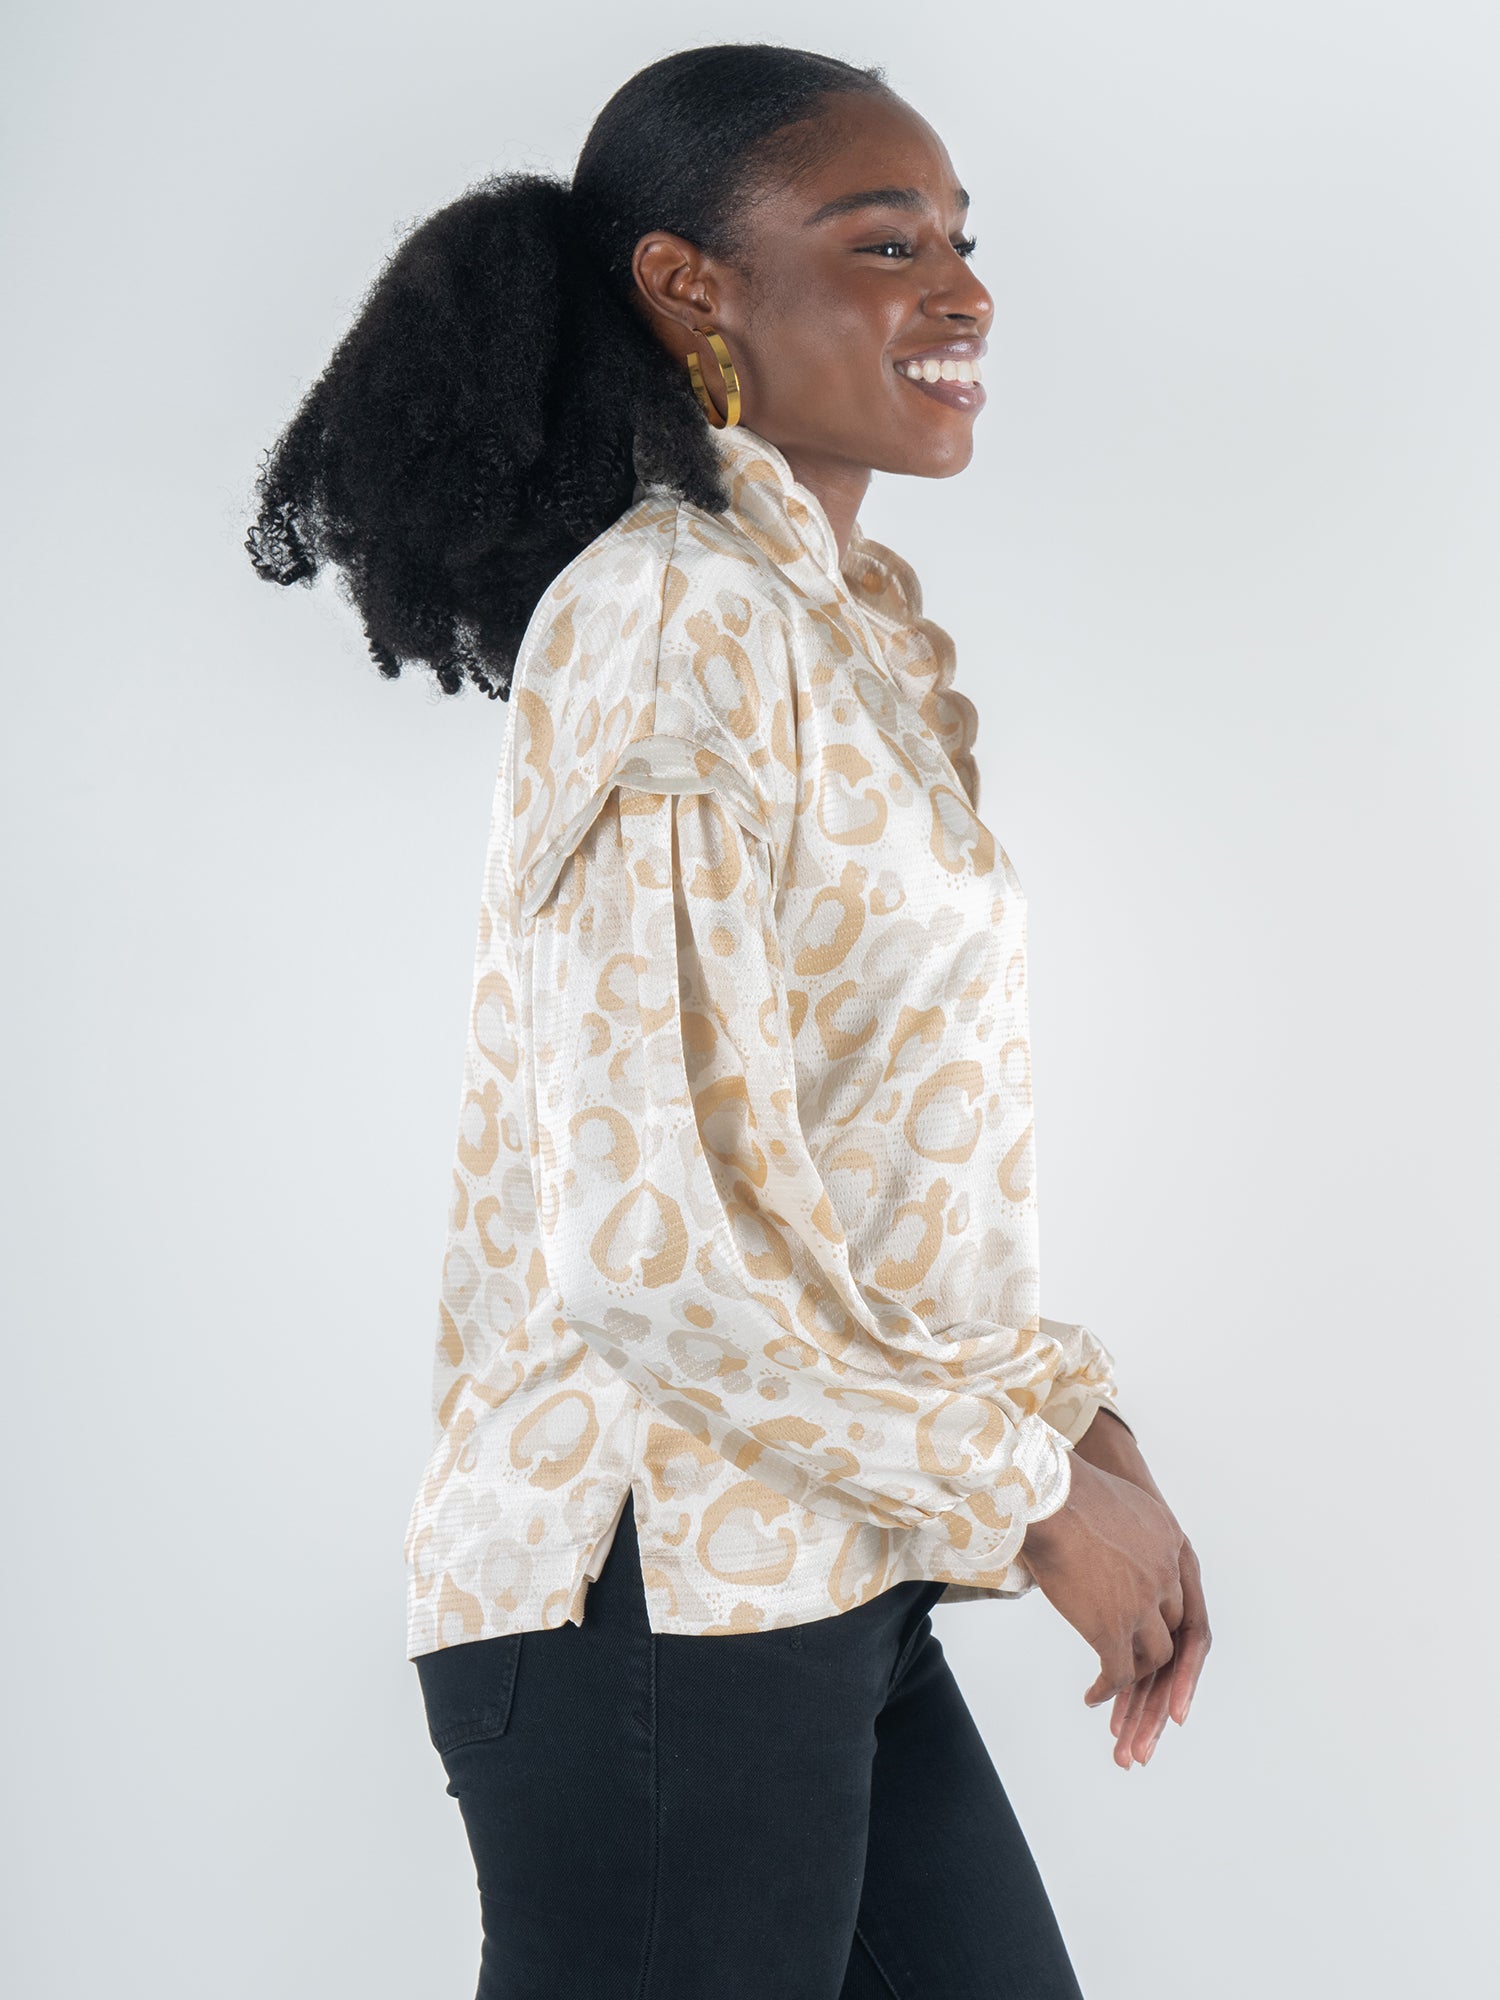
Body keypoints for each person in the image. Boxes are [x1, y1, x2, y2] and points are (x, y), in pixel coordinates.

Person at [247, 41, 1211, 2000]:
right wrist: (1033, 1504)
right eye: (885, 241)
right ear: (695, 289)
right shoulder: (677, 616)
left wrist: (1072, 1424)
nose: (960, 289)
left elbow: (839, 1163)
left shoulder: (828, 625)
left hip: (817, 1570)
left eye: (961, 239)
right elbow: (654, 1251)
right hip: (652, 1600)